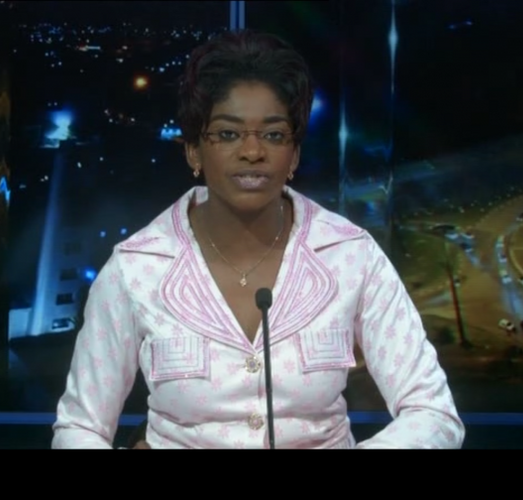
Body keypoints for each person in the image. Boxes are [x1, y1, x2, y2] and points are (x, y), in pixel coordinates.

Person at [52, 29, 465, 449]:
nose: (252, 152)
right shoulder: (136, 267)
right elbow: (80, 427)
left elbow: (432, 412)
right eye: (228, 134)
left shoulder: (351, 255)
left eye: (273, 135)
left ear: (294, 155)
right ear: (194, 151)